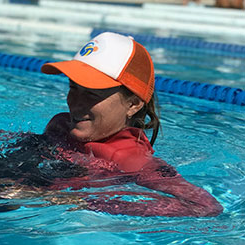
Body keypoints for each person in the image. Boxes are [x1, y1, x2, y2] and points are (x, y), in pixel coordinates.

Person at [36, 32, 223, 217]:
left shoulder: (129, 159)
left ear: (133, 104)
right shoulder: (60, 126)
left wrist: (87, 202)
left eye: (92, 94)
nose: (75, 103)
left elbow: (204, 205)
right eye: (73, 88)